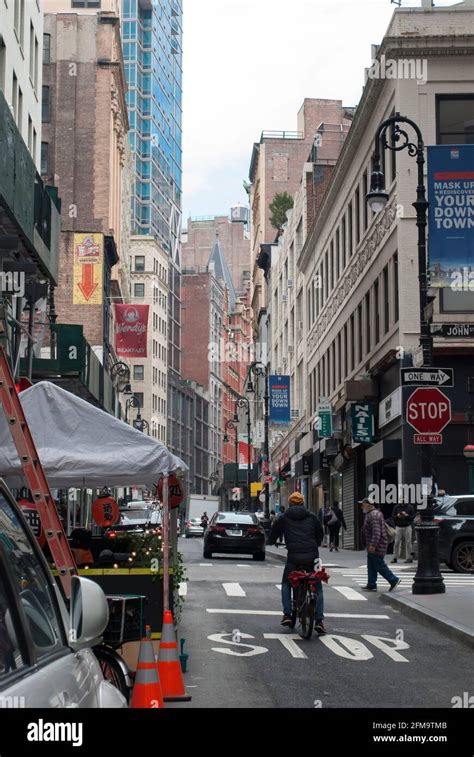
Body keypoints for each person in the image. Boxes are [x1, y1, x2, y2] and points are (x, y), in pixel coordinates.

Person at [268, 491, 326, 634]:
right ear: (302, 503)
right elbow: (320, 534)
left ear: (290, 503)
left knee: (287, 583)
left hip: (294, 557)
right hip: (312, 556)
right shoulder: (312, 517)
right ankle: (319, 620)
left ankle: (287, 614)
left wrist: (271, 541)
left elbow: (274, 533)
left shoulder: (284, 517)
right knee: (317, 585)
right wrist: (315, 544)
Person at [360, 498, 401, 592]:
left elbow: (376, 532)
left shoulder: (373, 515)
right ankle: (371, 584)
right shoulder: (372, 514)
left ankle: (393, 579)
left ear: (368, 505)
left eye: (363, 505)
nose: (362, 507)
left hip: (377, 545)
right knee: (371, 565)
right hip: (375, 544)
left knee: (379, 564)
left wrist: (373, 545)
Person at [390, 499, 415, 563]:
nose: (403, 502)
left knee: (408, 542)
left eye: (404, 500)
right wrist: (398, 516)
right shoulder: (396, 507)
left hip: (407, 526)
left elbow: (412, 517)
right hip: (398, 526)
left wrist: (407, 515)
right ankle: (395, 557)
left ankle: (409, 557)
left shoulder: (410, 507)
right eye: (402, 500)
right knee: (396, 542)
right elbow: (393, 516)